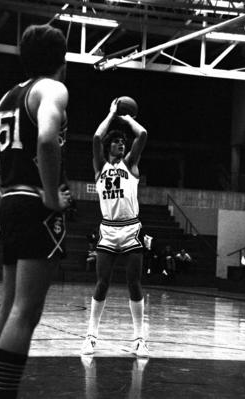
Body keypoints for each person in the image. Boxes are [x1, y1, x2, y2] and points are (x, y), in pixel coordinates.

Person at [0, 24, 70, 399]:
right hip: (35, 204)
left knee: (7, 308)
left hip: (14, 203)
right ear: (62, 60)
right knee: (25, 311)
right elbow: (48, 139)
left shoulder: (9, 96)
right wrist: (51, 196)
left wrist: (0, 201)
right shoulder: (52, 88)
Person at [81, 98, 149, 357]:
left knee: (134, 282)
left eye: (123, 142)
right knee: (102, 283)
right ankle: (91, 336)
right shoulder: (100, 168)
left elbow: (142, 134)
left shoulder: (130, 164)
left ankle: (140, 339)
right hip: (108, 230)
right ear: (110, 146)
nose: (122, 144)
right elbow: (96, 139)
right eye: (118, 142)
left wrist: (127, 117)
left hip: (131, 228)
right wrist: (111, 114)